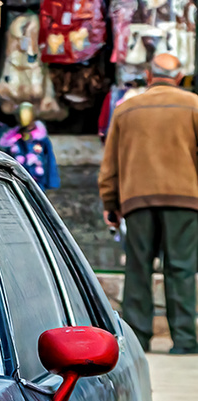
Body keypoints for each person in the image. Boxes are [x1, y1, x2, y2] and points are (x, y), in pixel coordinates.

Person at [100, 52, 198, 353]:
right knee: (181, 268)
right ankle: (184, 340)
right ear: (179, 77)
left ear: (148, 74)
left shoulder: (126, 109)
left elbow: (110, 163)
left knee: (138, 268)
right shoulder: (194, 106)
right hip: (185, 199)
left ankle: (138, 340)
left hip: (137, 200)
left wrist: (110, 202)